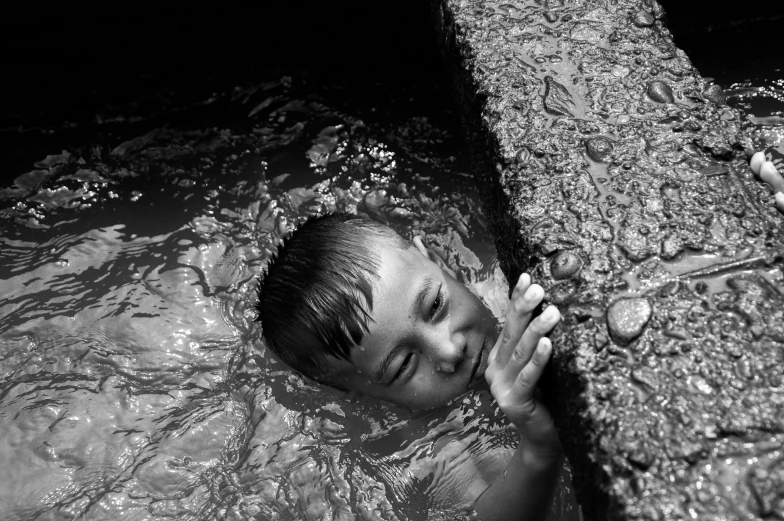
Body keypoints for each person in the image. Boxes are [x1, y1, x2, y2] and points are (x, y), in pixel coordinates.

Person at [255, 152, 782, 520]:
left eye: (435, 305)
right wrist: (536, 444)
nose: (448, 349)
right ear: (357, 394)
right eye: (401, 367)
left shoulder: (513, 287)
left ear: (436, 257)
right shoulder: (427, 444)